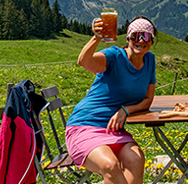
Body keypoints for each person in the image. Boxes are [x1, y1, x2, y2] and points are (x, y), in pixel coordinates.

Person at [66, 16, 157, 184]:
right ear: (128, 38)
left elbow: (147, 100)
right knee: (110, 165)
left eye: (146, 36)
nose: (141, 41)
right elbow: (84, 62)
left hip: (113, 131)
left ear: (152, 40)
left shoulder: (149, 60)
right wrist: (97, 37)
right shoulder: (115, 56)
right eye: (136, 36)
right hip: (85, 126)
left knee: (136, 160)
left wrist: (126, 110)